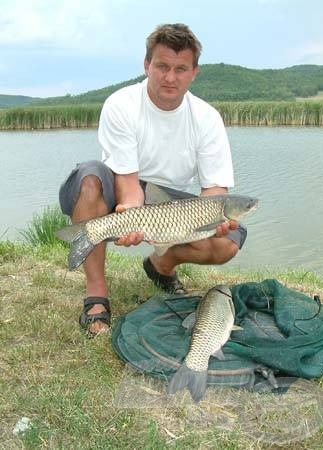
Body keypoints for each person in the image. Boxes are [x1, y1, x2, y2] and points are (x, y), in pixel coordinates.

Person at [59, 23, 247, 337]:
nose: (170, 77)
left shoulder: (207, 117)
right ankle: (96, 295)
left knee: (226, 243)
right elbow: (129, 187)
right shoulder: (121, 104)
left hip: (169, 202)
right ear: (147, 65)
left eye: (180, 68)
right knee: (90, 175)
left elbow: (215, 190)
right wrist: (130, 219)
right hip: (121, 187)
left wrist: (213, 221)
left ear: (194, 72)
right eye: (161, 66)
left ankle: (161, 264)